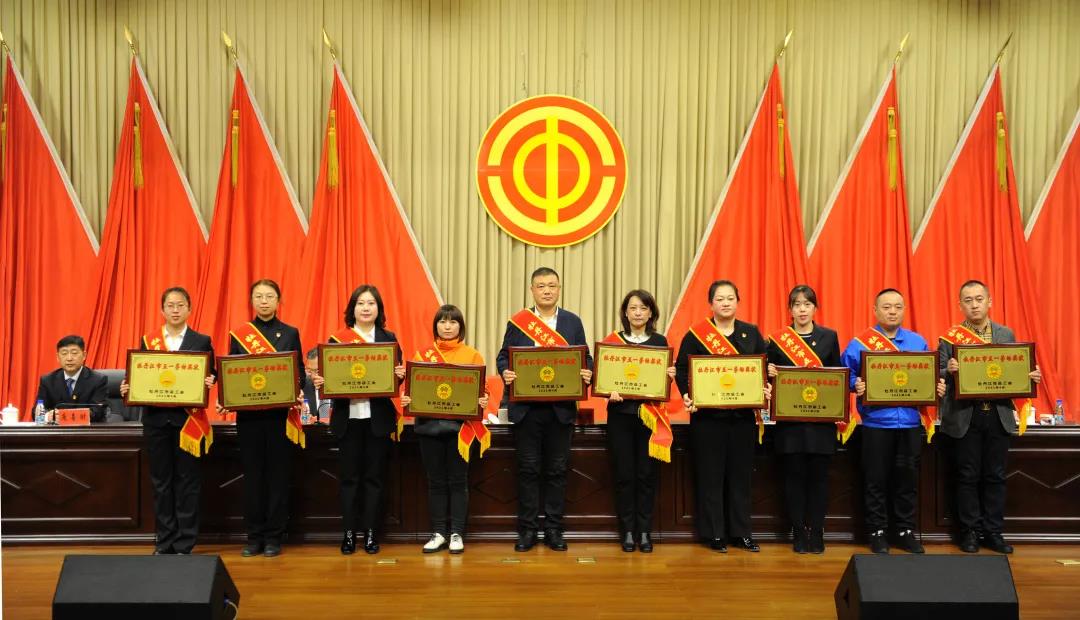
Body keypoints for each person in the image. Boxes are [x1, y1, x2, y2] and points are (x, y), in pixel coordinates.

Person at [938, 280, 1042, 555]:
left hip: (998, 414)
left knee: (995, 476)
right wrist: (948, 370)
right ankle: (969, 532)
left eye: (979, 299)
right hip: (965, 416)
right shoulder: (949, 338)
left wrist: (1030, 377)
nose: (974, 305)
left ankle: (993, 532)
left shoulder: (1005, 334)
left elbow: (1013, 370)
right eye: (968, 300)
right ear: (960, 305)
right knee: (967, 476)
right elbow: (936, 375)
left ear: (989, 302)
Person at [496, 267, 593, 552]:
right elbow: (503, 357)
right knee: (527, 470)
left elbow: (585, 357)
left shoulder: (572, 321)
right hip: (527, 410)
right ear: (532, 290)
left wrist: (587, 371)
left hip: (560, 410)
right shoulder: (519, 322)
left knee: (557, 470)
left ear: (559, 289)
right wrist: (506, 372)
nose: (547, 290)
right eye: (541, 286)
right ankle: (527, 530)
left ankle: (553, 529)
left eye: (552, 285)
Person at [842, 288, 945, 555]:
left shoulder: (917, 342)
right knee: (875, 481)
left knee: (906, 481)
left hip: (909, 424)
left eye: (898, 307)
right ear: (875, 310)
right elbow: (845, 375)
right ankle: (877, 532)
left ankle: (905, 531)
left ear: (904, 310)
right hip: (876, 424)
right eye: (886, 307)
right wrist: (856, 384)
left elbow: (929, 376)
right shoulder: (860, 343)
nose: (892, 312)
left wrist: (937, 386)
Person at [675, 279, 770, 553]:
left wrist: (765, 386)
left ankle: (741, 533)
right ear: (711, 303)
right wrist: (688, 394)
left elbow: (763, 368)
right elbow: (682, 370)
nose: (725, 303)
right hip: (708, 420)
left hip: (742, 419)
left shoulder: (751, 333)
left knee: (741, 477)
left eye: (730, 298)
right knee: (710, 476)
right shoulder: (696, 335)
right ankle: (714, 533)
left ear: (738, 301)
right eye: (720, 299)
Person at [120, 287, 215, 555]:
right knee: (161, 483)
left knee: (188, 482)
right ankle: (165, 541)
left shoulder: (201, 340)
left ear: (189, 309)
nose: (175, 310)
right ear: (162, 310)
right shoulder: (149, 341)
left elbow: (212, 373)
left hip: (188, 422)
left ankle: (185, 542)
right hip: (156, 421)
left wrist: (211, 380)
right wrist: (128, 388)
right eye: (170, 305)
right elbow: (139, 375)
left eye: (180, 305)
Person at [311, 285, 405, 555]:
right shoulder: (337, 340)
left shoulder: (389, 338)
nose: (366, 308)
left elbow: (394, 380)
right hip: (348, 419)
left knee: (374, 479)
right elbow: (329, 379)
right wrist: (322, 381)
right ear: (352, 309)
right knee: (349, 480)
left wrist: (399, 376)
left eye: (371, 303)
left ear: (379, 309)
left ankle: (371, 534)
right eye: (361, 303)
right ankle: (349, 534)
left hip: (378, 421)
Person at [400, 305, 490, 555]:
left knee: (458, 481)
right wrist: (407, 398)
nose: (447, 326)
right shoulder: (422, 354)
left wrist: (483, 398)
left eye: (453, 322)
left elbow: (482, 389)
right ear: (435, 325)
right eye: (442, 321)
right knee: (436, 482)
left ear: (461, 326)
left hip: (460, 430)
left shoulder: (472, 355)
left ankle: (457, 533)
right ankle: (439, 533)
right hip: (429, 428)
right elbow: (411, 389)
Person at [226, 279, 305, 558]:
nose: (264, 301)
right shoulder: (239, 335)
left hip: (279, 418)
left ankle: (274, 537)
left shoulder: (290, 333)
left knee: (277, 477)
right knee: (253, 478)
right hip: (248, 419)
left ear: (278, 300)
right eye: (258, 296)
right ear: (251, 301)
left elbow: (299, 372)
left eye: (269, 296)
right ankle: (254, 536)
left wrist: (296, 388)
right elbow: (231, 373)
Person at [766, 285, 840, 554]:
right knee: (793, 479)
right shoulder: (778, 340)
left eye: (807, 304)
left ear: (815, 308)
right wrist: (768, 372)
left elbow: (837, 377)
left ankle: (816, 531)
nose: (802, 309)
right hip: (790, 424)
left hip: (821, 423)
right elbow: (766, 380)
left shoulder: (829, 337)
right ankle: (798, 530)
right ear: (790, 309)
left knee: (819, 479)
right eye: (797, 304)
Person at [603, 290, 675, 553]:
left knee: (646, 476)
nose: (637, 313)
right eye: (633, 308)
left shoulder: (659, 341)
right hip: (620, 417)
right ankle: (627, 531)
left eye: (643, 308)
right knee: (624, 476)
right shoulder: (613, 342)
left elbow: (662, 384)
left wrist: (668, 375)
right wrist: (608, 389)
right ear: (625, 312)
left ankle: (644, 531)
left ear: (651, 313)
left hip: (649, 418)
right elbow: (603, 378)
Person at [35, 335, 109, 422]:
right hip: (58, 429)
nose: (69, 358)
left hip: (86, 429)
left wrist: (65, 416)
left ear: (84, 355)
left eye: (74, 353)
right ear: (58, 357)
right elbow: (36, 411)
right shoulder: (48, 381)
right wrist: (48, 416)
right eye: (64, 353)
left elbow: (99, 412)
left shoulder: (98, 380)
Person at [302, 347, 329, 423]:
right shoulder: (302, 386)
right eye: (309, 371)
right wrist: (306, 419)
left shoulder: (340, 388)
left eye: (318, 371)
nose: (313, 376)